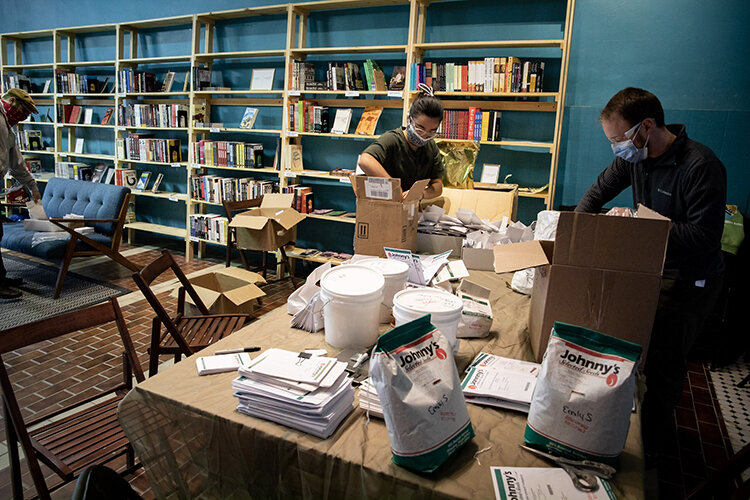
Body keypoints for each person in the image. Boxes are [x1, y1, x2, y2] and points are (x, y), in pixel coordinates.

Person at [575, 87, 727, 465]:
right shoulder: (634, 157)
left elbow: (703, 237)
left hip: (691, 280)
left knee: (665, 364)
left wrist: (640, 225)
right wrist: (573, 236)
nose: (617, 148)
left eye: (618, 139)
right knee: (633, 349)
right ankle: (628, 430)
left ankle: (654, 454)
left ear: (646, 127)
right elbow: (595, 195)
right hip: (652, 268)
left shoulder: (700, 166)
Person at [358, 84, 444, 200]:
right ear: (410, 119)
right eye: (420, 129)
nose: (424, 136)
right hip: (384, 208)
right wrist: (394, 187)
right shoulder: (392, 139)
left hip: (410, 210)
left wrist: (421, 193)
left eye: (432, 131)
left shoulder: (431, 147)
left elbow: (437, 186)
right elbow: (365, 160)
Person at [1, 88, 41, 300]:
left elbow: (16, 163)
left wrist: (32, 186)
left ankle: (1, 278)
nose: (24, 117)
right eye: (24, 112)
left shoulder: (8, 127)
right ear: (13, 103)